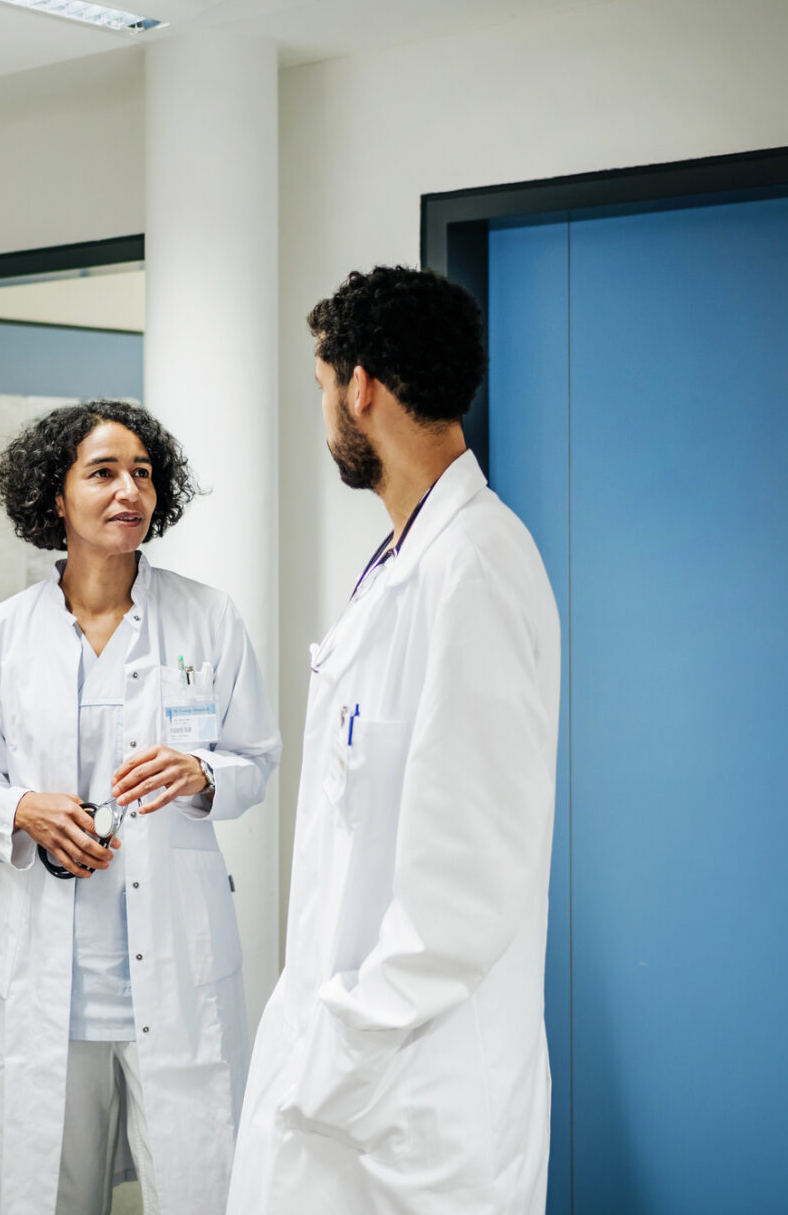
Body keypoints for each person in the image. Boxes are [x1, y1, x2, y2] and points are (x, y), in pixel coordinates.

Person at [227, 267, 561, 1214]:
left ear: (361, 386)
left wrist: (336, 1056)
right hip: (366, 1079)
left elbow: (466, 884)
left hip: (415, 1096)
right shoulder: (407, 562)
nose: (326, 409)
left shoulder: (473, 571)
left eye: (324, 385)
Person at [0, 399, 281, 1215]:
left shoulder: (207, 616)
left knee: (196, 1182)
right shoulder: (2, 635)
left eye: (143, 473)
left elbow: (256, 760)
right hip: (50, 975)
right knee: (46, 1190)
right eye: (102, 473)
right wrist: (24, 808)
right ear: (54, 498)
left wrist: (200, 772)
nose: (129, 490)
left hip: (175, 959)